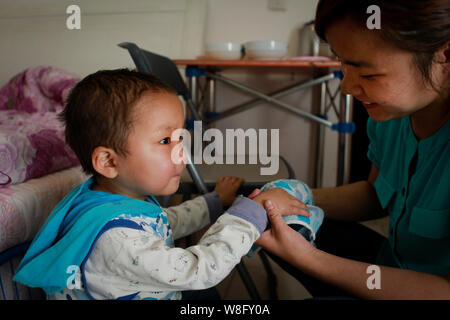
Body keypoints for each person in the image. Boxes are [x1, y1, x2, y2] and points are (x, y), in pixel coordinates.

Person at [13, 69, 308, 300]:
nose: (182, 151)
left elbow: (165, 222)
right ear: (109, 162)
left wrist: (215, 200)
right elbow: (198, 270)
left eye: (181, 137)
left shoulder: (112, 200)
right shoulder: (115, 238)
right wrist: (250, 215)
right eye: (166, 140)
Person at [255, 0, 450, 299]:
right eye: (343, 64)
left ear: (445, 56)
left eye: (368, 74)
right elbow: (374, 195)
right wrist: (295, 196)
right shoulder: (390, 117)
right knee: (275, 223)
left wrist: (309, 258)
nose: (346, 87)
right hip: (389, 265)